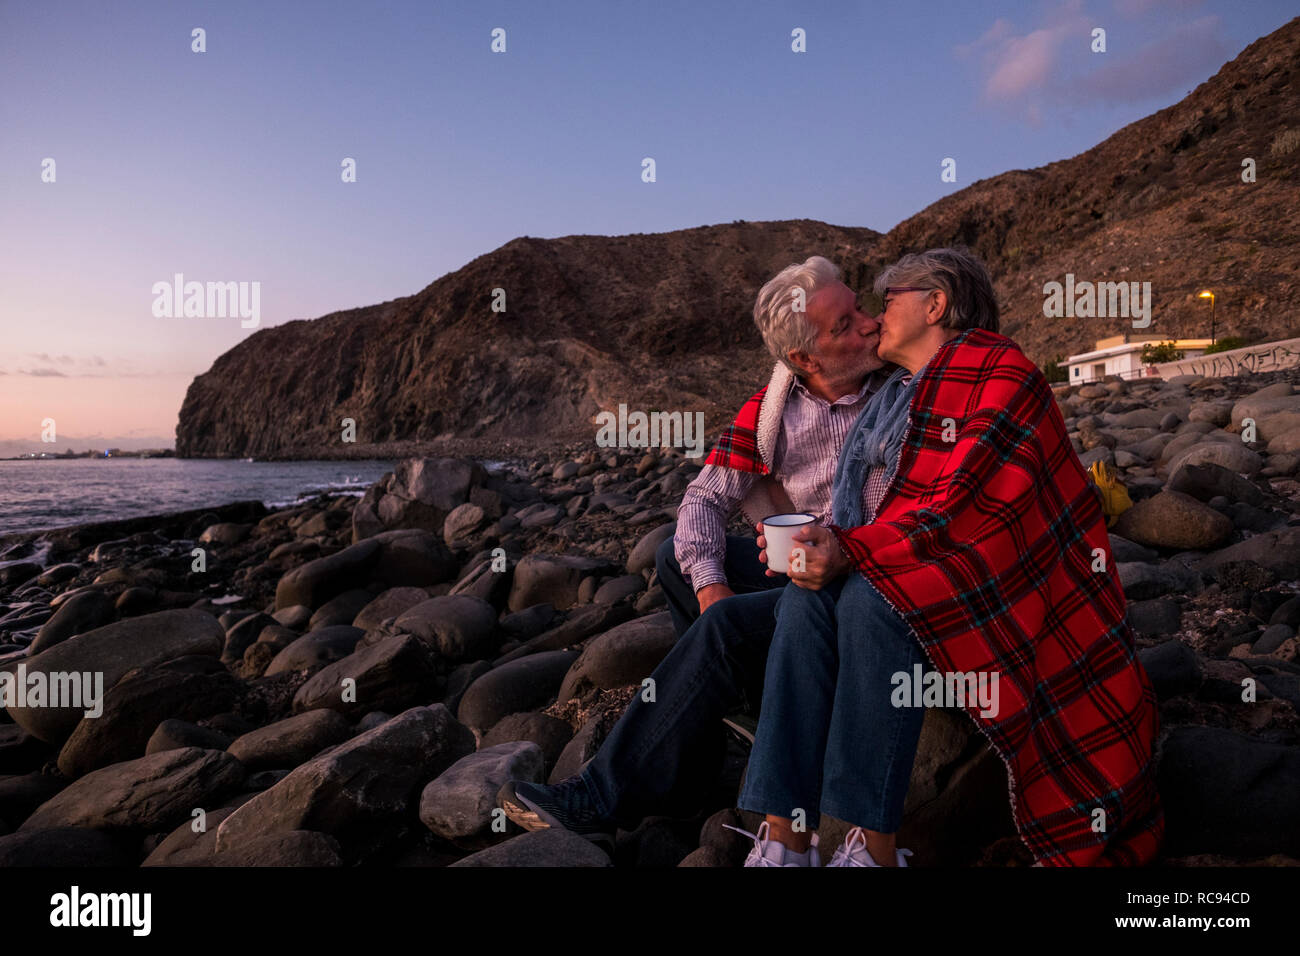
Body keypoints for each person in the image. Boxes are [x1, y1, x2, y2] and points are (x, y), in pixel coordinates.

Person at [734, 248, 1164, 867]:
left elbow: (963, 512)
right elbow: (910, 509)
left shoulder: (1002, 374)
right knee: (805, 603)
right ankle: (784, 840)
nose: (877, 318)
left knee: (870, 599)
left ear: (935, 304)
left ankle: (871, 850)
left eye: (887, 301)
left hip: (1012, 584)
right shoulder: (906, 391)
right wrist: (824, 545)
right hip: (927, 560)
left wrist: (851, 549)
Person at [497, 255, 898, 855]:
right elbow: (703, 500)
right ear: (805, 361)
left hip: (869, 574)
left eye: (860, 309)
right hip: (806, 563)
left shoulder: (898, 393)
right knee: (674, 562)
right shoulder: (773, 409)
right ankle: (728, 722)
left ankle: (602, 798)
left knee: (729, 629)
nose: (870, 324)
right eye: (846, 324)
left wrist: (745, 600)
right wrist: (711, 587)